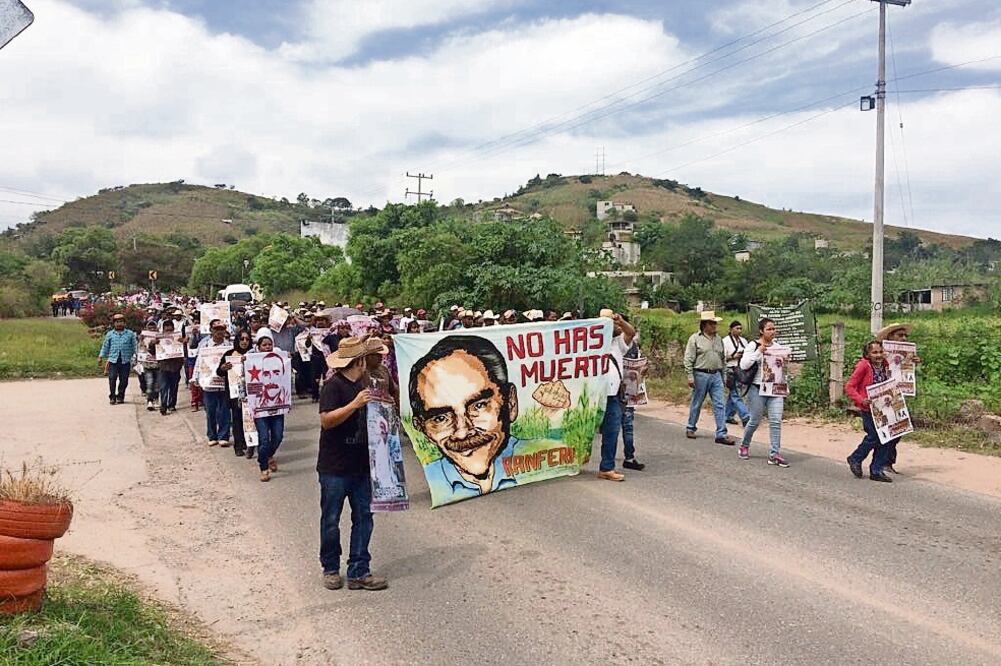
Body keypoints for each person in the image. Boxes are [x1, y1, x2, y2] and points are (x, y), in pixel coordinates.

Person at [409, 335, 525, 496]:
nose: (462, 432)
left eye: (479, 405)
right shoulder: (437, 479)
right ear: (424, 429)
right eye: (441, 418)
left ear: (510, 403)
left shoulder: (546, 454)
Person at [318, 337, 388, 592]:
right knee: (331, 519)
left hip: (361, 464)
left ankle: (359, 569)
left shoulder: (365, 383)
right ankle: (331, 568)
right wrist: (354, 404)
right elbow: (326, 421)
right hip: (334, 466)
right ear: (357, 361)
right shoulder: (333, 387)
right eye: (364, 360)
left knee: (364, 517)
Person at [737, 318, 789, 467]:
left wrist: (786, 385)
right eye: (769, 329)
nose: (772, 332)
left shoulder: (778, 347)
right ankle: (744, 445)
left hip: (775, 389)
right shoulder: (753, 345)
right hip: (757, 388)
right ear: (761, 331)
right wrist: (759, 352)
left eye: (774, 329)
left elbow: (781, 370)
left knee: (775, 421)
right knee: (754, 420)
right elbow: (744, 364)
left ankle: (774, 453)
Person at [845, 340, 897, 483]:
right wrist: (861, 400)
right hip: (868, 408)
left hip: (883, 407)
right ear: (867, 354)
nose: (878, 355)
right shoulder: (864, 366)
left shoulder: (885, 365)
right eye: (874, 352)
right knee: (874, 436)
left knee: (886, 437)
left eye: (880, 352)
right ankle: (856, 458)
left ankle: (876, 470)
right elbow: (850, 386)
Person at [596, 308, 636, 481]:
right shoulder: (590, 341)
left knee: (612, 431)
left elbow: (631, 332)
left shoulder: (618, 343)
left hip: (613, 395)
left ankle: (607, 467)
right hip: (594, 395)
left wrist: (620, 321)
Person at [683, 311, 733, 445]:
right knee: (697, 402)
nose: (714, 326)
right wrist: (690, 376)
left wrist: (724, 375)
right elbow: (688, 359)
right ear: (704, 325)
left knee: (719, 403)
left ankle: (721, 433)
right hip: (700, 374)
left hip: (716, 374)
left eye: (715, 323)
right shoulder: (695, 339)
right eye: (711, 323)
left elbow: (723, 359)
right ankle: (691, 427)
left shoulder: (719, 339)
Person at [874, 322, 918, 474]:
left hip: (896, 393)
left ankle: (886, 461)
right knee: (889, 427)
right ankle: (881, 461)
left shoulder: (904, 355)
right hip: (882, 394)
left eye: (905, 336)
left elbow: (902, 373)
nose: (904, 338)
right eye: (900, 335)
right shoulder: (879, 353)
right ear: (890, 337)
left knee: (900, 427)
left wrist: (912, 364)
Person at [252, 329, 287, 482]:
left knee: (278, 436)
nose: (267, 347)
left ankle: (268, 455)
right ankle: (263, 467)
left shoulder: (279, 357)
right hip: (260, 407)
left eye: (269, 345)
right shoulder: (251, 360)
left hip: (277, 406)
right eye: (264, 345)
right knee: (264, 438)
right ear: (258, 347)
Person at [217, 328, 253, 457]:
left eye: (247, 339)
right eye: (241, 339)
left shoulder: (254, 354)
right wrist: (223, 368)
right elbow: (219, 372)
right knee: (237, 419)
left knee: (250, 419)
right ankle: (238, 446)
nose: (244, 341)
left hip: (252, 393)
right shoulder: (230, 354)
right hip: (235, 393)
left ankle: (250, 443)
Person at [198, 319, 232, 447]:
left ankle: (224, 436)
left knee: (224, 410)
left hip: (224, 383)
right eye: (216, 329)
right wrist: (195, 378)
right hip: (208, 383)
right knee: (210, 411)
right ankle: (212, 435)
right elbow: (199, 362)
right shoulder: (205, 346)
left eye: (221, 329)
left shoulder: (229, 346)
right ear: (211, 331)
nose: (219, 332)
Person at [620, 328, 646, 472]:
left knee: (628, 425)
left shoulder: (634, 346)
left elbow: (639, 365)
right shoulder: (611, 344)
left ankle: (629, 457)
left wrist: (642, 370)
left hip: (629, 390)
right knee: (610, 427)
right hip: (613, 392)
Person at [99, 313, 138, 405]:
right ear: (114, 323)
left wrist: (137, 356)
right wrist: (101, 356)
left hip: (125, 360)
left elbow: (135, 346)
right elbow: (105, 346)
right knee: (112, 378)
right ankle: (112, 396)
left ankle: (120, 396)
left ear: (124, 323)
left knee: (124, 380)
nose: (119, 324)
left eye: (121, 322)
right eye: (117, 322)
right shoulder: (110, 334)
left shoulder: (130, 334)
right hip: (113, 360)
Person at [722, 321, 751, 427]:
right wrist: (733, 356)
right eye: (737, 328)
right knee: (735, 394)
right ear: (731, 329)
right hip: (731, 369)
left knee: (733, 394)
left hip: (741, 370)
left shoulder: (744, 341)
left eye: (740, 328)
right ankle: (745, 416)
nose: (739, 330)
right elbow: (722, 357)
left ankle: (728, 416)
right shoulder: (725, 341)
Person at [157, 320, 184, 415]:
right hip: (163, 367)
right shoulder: (158, 339)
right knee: (163, 387)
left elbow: (184, 351)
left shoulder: (178, 338)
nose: (169, 332)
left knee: (173, 387)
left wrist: (183, 343)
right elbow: (152, 352)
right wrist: (153, 344)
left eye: (170, 330)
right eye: (167, 330)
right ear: (163, 330)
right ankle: (163, 405)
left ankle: (172, 404)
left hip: (175, 367)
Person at [141, 320, 160, 411]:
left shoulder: (160, 338)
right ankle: (149, 400)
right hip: (147, 365)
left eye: (153, 327)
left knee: (157, 384)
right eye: (150, 327)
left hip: (158, 365)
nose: (152, 329)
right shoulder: (143, 338)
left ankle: (156, 399)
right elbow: (140, 350)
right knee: (150, 383)